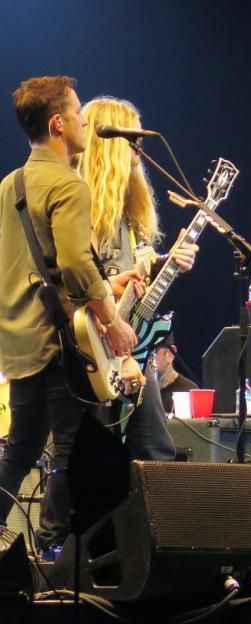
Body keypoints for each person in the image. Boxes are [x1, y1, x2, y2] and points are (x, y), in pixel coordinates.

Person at [0, 76, 141, 552]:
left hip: (19, 341)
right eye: (79, 113)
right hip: (61, 341)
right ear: (58, 124)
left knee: (19, 452)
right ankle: (54, 554)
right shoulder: (68, 184)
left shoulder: (10, 185)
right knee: (70, 450)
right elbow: (77, 264)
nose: (85, 121)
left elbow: (33, 265)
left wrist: (104, 286)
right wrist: (112, 320)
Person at [76, 96, 199, 460]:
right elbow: (87, 288)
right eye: (132, 135)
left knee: (155, 453)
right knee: (94, 458)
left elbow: (132, 283)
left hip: (131, 347)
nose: (140, 143)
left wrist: (166, 263)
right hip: (100, 354)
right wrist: (122, 352)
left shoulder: (129, 214)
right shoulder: (81, 207)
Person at [153, 331, 199, 413]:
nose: (146, 357)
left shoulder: (189, 391)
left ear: (170, 353)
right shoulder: (136, 391)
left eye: (153, 350)